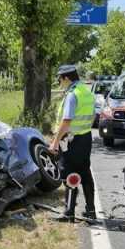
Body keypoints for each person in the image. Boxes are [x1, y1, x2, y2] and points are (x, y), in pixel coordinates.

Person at [49, 65, 97, 222]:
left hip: (72, 140)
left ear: (66, 78)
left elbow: (67, 120)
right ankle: (90, 211)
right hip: (85, 138)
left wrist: (55, 141)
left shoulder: (72, 94)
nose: (59, 81)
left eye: (60, 79)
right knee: (85, 172)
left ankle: (69, 212)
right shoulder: (86, 91)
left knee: (69, 173)